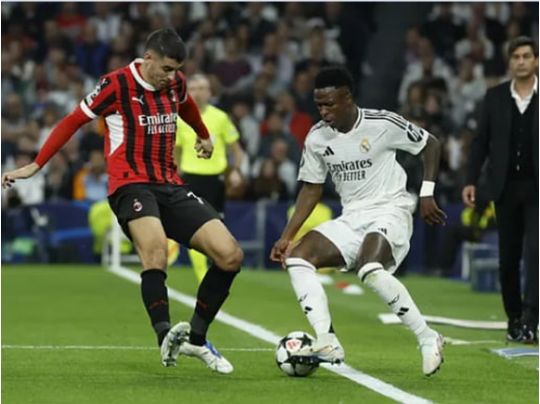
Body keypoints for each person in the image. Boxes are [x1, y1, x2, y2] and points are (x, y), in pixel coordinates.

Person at [2, 28, 244, 374]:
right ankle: (164, 334)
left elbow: (187, 105)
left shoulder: (174, 83)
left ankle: (196, 338)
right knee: (155, 250)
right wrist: (36, 165)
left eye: (177, 70)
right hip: (130, 185)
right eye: (166, 69)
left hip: (169, 183)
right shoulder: (115, 84)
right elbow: (73, 121)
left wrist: (203, 135)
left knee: (230, 255)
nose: (171, 77)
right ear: (148, 59)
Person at [271, 66, 447, 376]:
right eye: (319, 105)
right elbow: (311, 188)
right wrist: (287, 236)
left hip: (390, 209)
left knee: (369, 268)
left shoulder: (383, 123)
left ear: (348, 98)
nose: (324, 112)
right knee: (297, 258)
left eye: (330, 104)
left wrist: (427, 193)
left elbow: (430, 143)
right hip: (352, 216)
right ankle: (327, 341)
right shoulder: (317, 137)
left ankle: (427, 337)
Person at [462, 36, 538, 344]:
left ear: (536, 60)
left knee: (536, 253)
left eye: (526, 56)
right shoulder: (494, 97)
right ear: (509, 62)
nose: (521, 61)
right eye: (516, 56)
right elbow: (480, 142)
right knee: (508, 258)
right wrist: (470, 180)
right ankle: (514, 318)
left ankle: (531, 319)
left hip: (536, 188)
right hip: (504, 188)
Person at [175, 73, 246, 284]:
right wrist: (174, 173)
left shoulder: (220, 117)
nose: (198, 93)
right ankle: (202, 276)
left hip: (216, 180)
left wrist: (236, 170)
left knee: (217, 229)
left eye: (202, 88)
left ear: (209, 92)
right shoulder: (180, 118)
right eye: (193, 88)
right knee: (195, 229)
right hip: (191, 178)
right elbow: (176, 150)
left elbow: (237, 150)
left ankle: (215, 273)